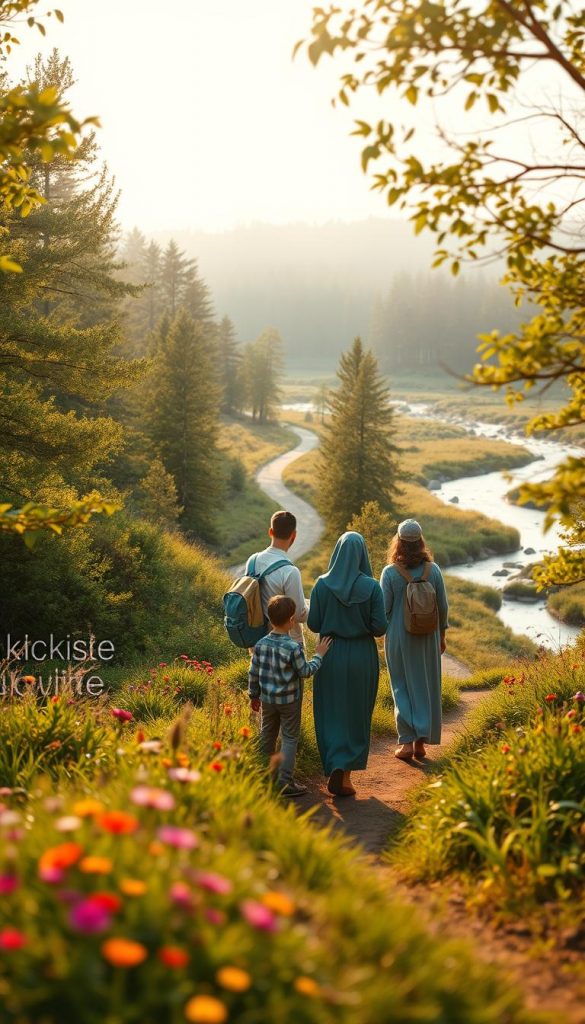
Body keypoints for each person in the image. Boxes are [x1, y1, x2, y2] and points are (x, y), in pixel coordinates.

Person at [307, 532, 387, 797]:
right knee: (356, 712)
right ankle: (346, 775)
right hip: (362, 655)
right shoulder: (373, 587)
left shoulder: (321, 584)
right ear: (362, 554)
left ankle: (334, 764)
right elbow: (379, 628)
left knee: (331, 711)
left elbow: (314, 624)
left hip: (329, 653)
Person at [248, 595, 332, 797]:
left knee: (266, 735)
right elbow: (305, 672)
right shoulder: (294, 647)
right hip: (289, 701)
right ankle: (285, 783)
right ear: (292, 619)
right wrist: (319, 655)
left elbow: (254, 672)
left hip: (267, 700)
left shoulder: (260, 645)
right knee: (289, 738)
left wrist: (254, 695)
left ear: (269, 618)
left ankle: (262, 776)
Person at [380, 519, 449, 760]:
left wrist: (380, 633)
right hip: (428, 635)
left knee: (401, 685)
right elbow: (442, 606)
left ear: (398, 542)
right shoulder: (434, 570)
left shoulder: (390, 573)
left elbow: (384, 610)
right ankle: (422, 743)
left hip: (399, 637)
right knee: (426, 685)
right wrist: (442, 635)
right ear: (420, 542)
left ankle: (407, 742)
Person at [245, 510, 307, 648]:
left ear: (270, 532)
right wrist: (311, 608)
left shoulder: (252, 561)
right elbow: (297, 616)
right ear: (294, 535)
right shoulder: (290, 572)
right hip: (287, 646)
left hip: (258, 642)